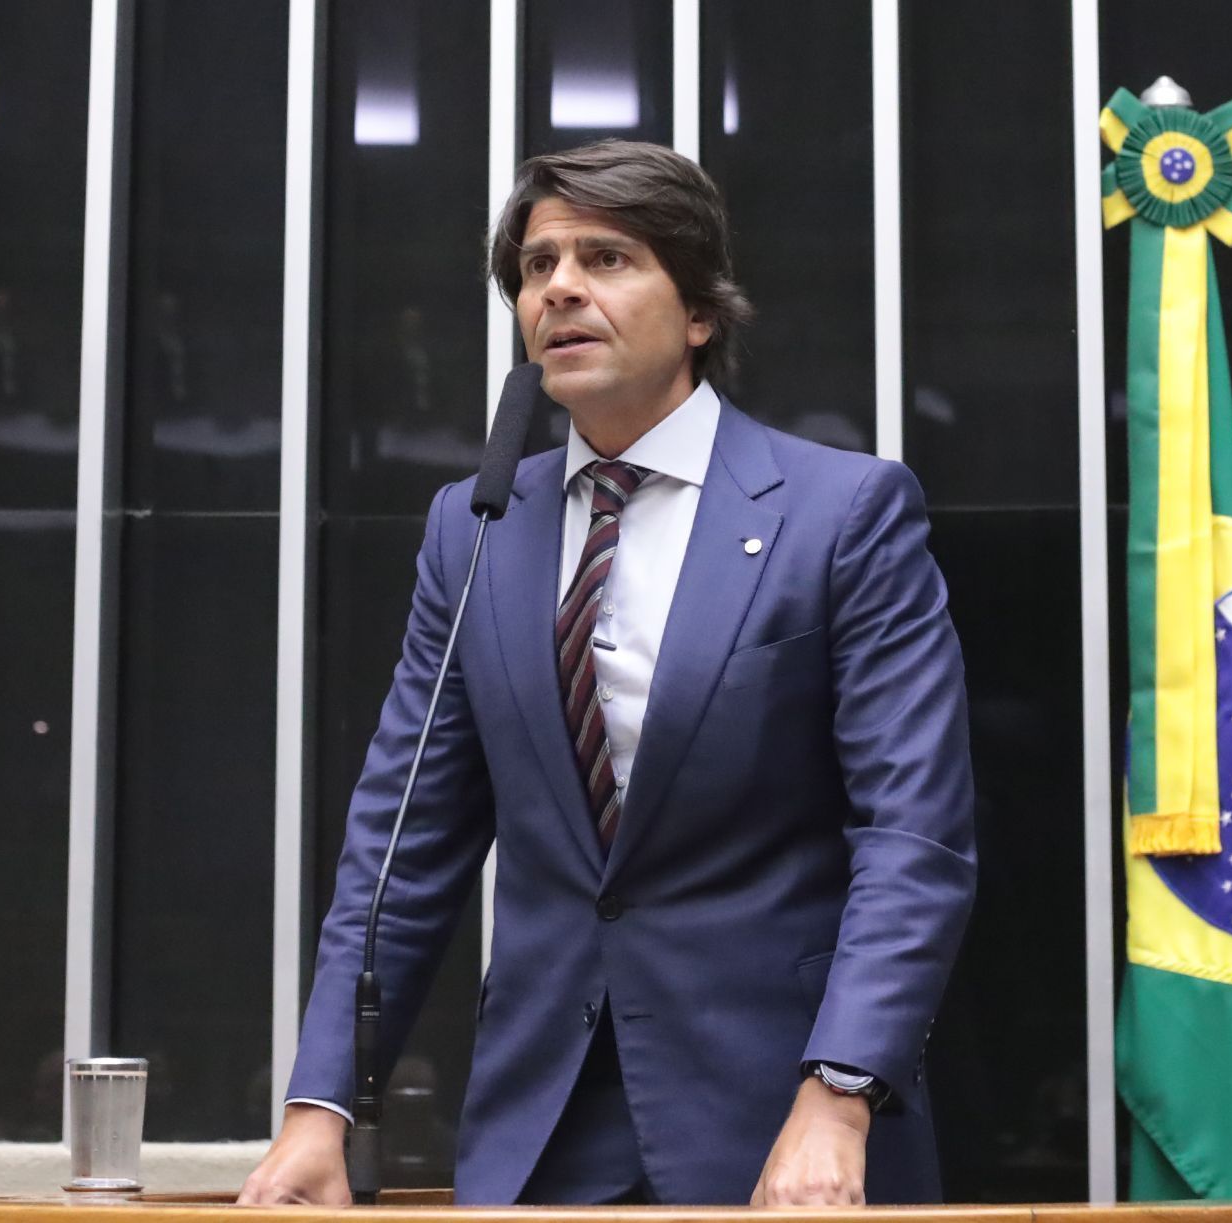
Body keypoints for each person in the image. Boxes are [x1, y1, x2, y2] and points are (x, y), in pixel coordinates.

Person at [238, 139, 976, 1207]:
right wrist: (323, 1104)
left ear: (700, 311)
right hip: (540, 1132)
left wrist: (839, 1092)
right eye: (538, 266)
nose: (560, 288)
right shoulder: (476, 526)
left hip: (785, 1121)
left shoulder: (842, 513)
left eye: (608, 258)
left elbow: (912, 834)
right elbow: (402, 842)